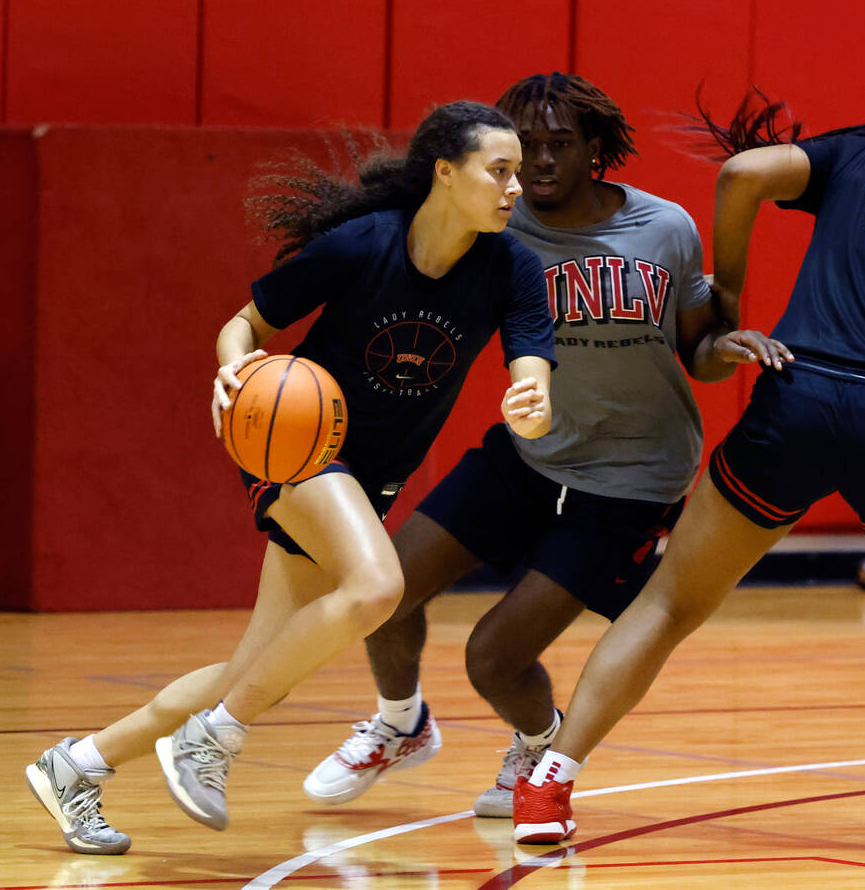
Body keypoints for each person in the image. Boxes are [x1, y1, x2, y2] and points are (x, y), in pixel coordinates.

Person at [513, 58, 865, 846]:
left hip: (793, 403)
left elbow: (743, 172)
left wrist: (731, 303)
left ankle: (548, 786)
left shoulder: (855, 154)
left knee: (670, 601)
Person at [24, 100, 557, 854]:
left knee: (259, 664)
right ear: (446, 172)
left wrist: (531, 402)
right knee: (377, 589)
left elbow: (530, 365)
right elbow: (246, 324)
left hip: (370, 477)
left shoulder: (512, 268)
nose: (516, 187)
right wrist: (232, 368)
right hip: (297, 441)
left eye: (519, 173)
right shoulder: (361, 246)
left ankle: (77, 765)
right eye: (499, 171)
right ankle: (215, 738)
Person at [301, 73, 787, 817]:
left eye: (560, 145)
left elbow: (699, 352)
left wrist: (734, 347)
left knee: (493, 658)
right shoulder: (496, 224)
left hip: (629, 478)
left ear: (598, 151)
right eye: (525, 148)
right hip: (529, 454)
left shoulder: (665, 229)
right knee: (383, 596)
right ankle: (401, 724)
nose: (541, 163)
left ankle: (537, 743)